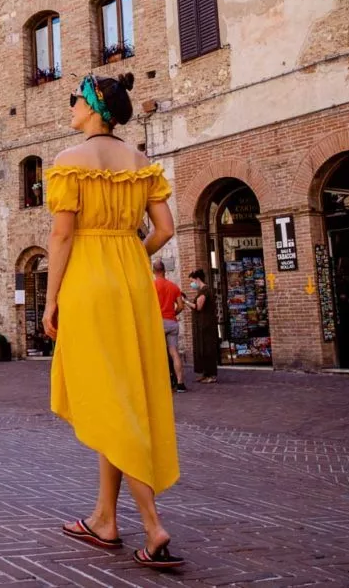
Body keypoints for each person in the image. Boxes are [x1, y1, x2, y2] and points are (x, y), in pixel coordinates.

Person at [43, 72, 183, 572]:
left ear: (97, 108)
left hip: (88, 281)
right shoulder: (141, 163)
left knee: (108, 400)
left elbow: (61, 237)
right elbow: (165, 229)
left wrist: (51, 298)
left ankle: (152, 524)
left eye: (76, 99)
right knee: (123, 395)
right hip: (131, 280)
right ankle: (105, 518)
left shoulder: (68, 162)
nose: (71, 106)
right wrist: (130, 253)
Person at [153, 259, 186, 392]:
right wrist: (173, 312)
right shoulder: (173, 286)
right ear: (164, 271)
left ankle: (164, 381)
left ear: (153, 271)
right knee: (174, 353)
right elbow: (181, 306)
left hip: (158, 323)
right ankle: (180, 383)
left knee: (159, 353)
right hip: (172, 322)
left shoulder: (152, 286)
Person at [188, 269, 218, 383]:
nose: (191, 284)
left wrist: (185, 301)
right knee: (202, 349)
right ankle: (205, 374)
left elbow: (198, 307)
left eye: (192, 281)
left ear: (197, 279)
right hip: (201, 324)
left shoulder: (205, 291)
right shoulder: (202, 291)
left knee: (207, 349)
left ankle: (211, 375)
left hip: (206, 325)